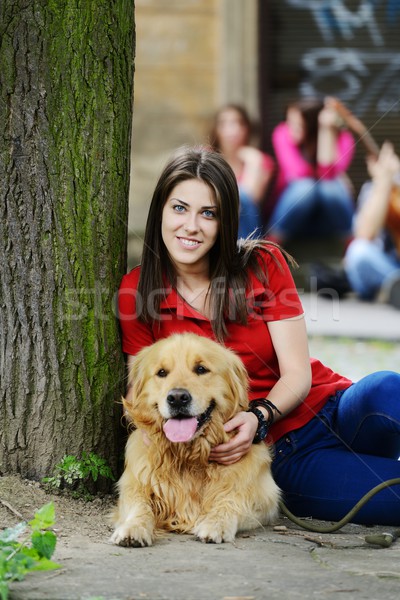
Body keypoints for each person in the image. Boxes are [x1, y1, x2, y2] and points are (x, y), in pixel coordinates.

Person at [118, 146, 400, 526]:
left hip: (329, 410)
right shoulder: (137, 291)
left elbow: (298, 373)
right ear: (160, 213)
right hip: (277, 456)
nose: (191, 226)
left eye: (209, 213)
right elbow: (140, 394)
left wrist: (259, 415)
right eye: (179, 208)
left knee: (387, 388)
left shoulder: (264, 264)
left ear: (225, 221)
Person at [267, 96, 356, 245]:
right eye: (289, 121)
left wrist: (325, 131)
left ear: (312, 125)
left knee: (330, 186)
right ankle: (272, 245)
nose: (290, 128)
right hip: (292, 217)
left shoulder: (344, 139)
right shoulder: (281, 133)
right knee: (305, 187)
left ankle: (350, 244)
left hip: (328, 222)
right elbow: (297, 172)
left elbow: (328, 174)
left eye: (297, 124)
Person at [344, 141, 400, 308]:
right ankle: (392, 288)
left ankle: (391, 290)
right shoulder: (370, 190)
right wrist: (383, 183)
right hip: (385, 267)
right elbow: (365, 233)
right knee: (358, 252)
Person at [209, 104, 275, 239]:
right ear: (216, 129)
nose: (231, 130)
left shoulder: (260, 160)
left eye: (237, 123)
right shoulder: (206, 157)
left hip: (245, 228)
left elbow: (251, 200)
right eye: (224, 123)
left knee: (243, 198)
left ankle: (247, 254)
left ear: (246, 129)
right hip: (214, 221)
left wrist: (254, 162)